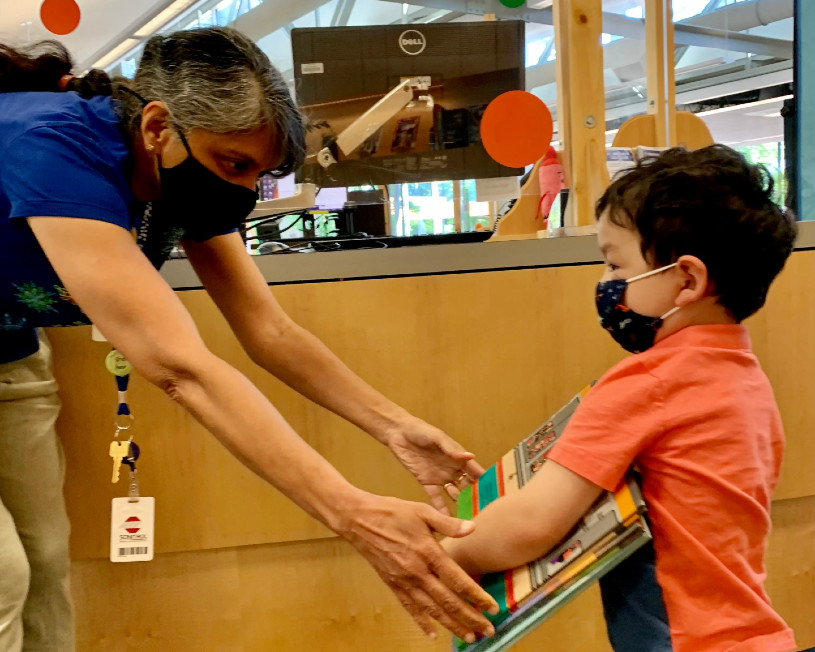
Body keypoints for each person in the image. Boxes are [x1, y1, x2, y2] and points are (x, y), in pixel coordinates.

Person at [0, 28, 498, 651]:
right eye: (234, 165)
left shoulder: (179, 173)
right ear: (157, 127)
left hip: (10, 356)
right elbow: (181, 369)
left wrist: (392, 425)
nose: (241, 190)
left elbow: (270, 330)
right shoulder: (52, 144)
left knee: (44, 560)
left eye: (257, 174)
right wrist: (350, 512)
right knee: (3, 577)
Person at [443, 146, 798, 651]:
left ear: (688, 279)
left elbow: (531, 523)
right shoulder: (744, 379)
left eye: (615, 265)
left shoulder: (647, 383)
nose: (607, 284)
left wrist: (443, 550)